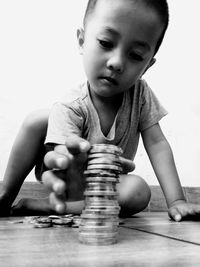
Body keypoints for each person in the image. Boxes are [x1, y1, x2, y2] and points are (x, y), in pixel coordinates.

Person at [1, 0, 200, 221]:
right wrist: (75, 161)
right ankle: (6, 195)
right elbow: (67, 164)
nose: (116, 63)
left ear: (147, 67)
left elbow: (157, 144)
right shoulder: (70, 105)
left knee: (138, 192)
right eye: (106, 43)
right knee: (37, 119)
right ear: (81, 41)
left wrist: (177, 201)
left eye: (135, 55)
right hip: (71, 178)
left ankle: (52, 207)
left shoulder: (141, 94)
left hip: (107, 185)